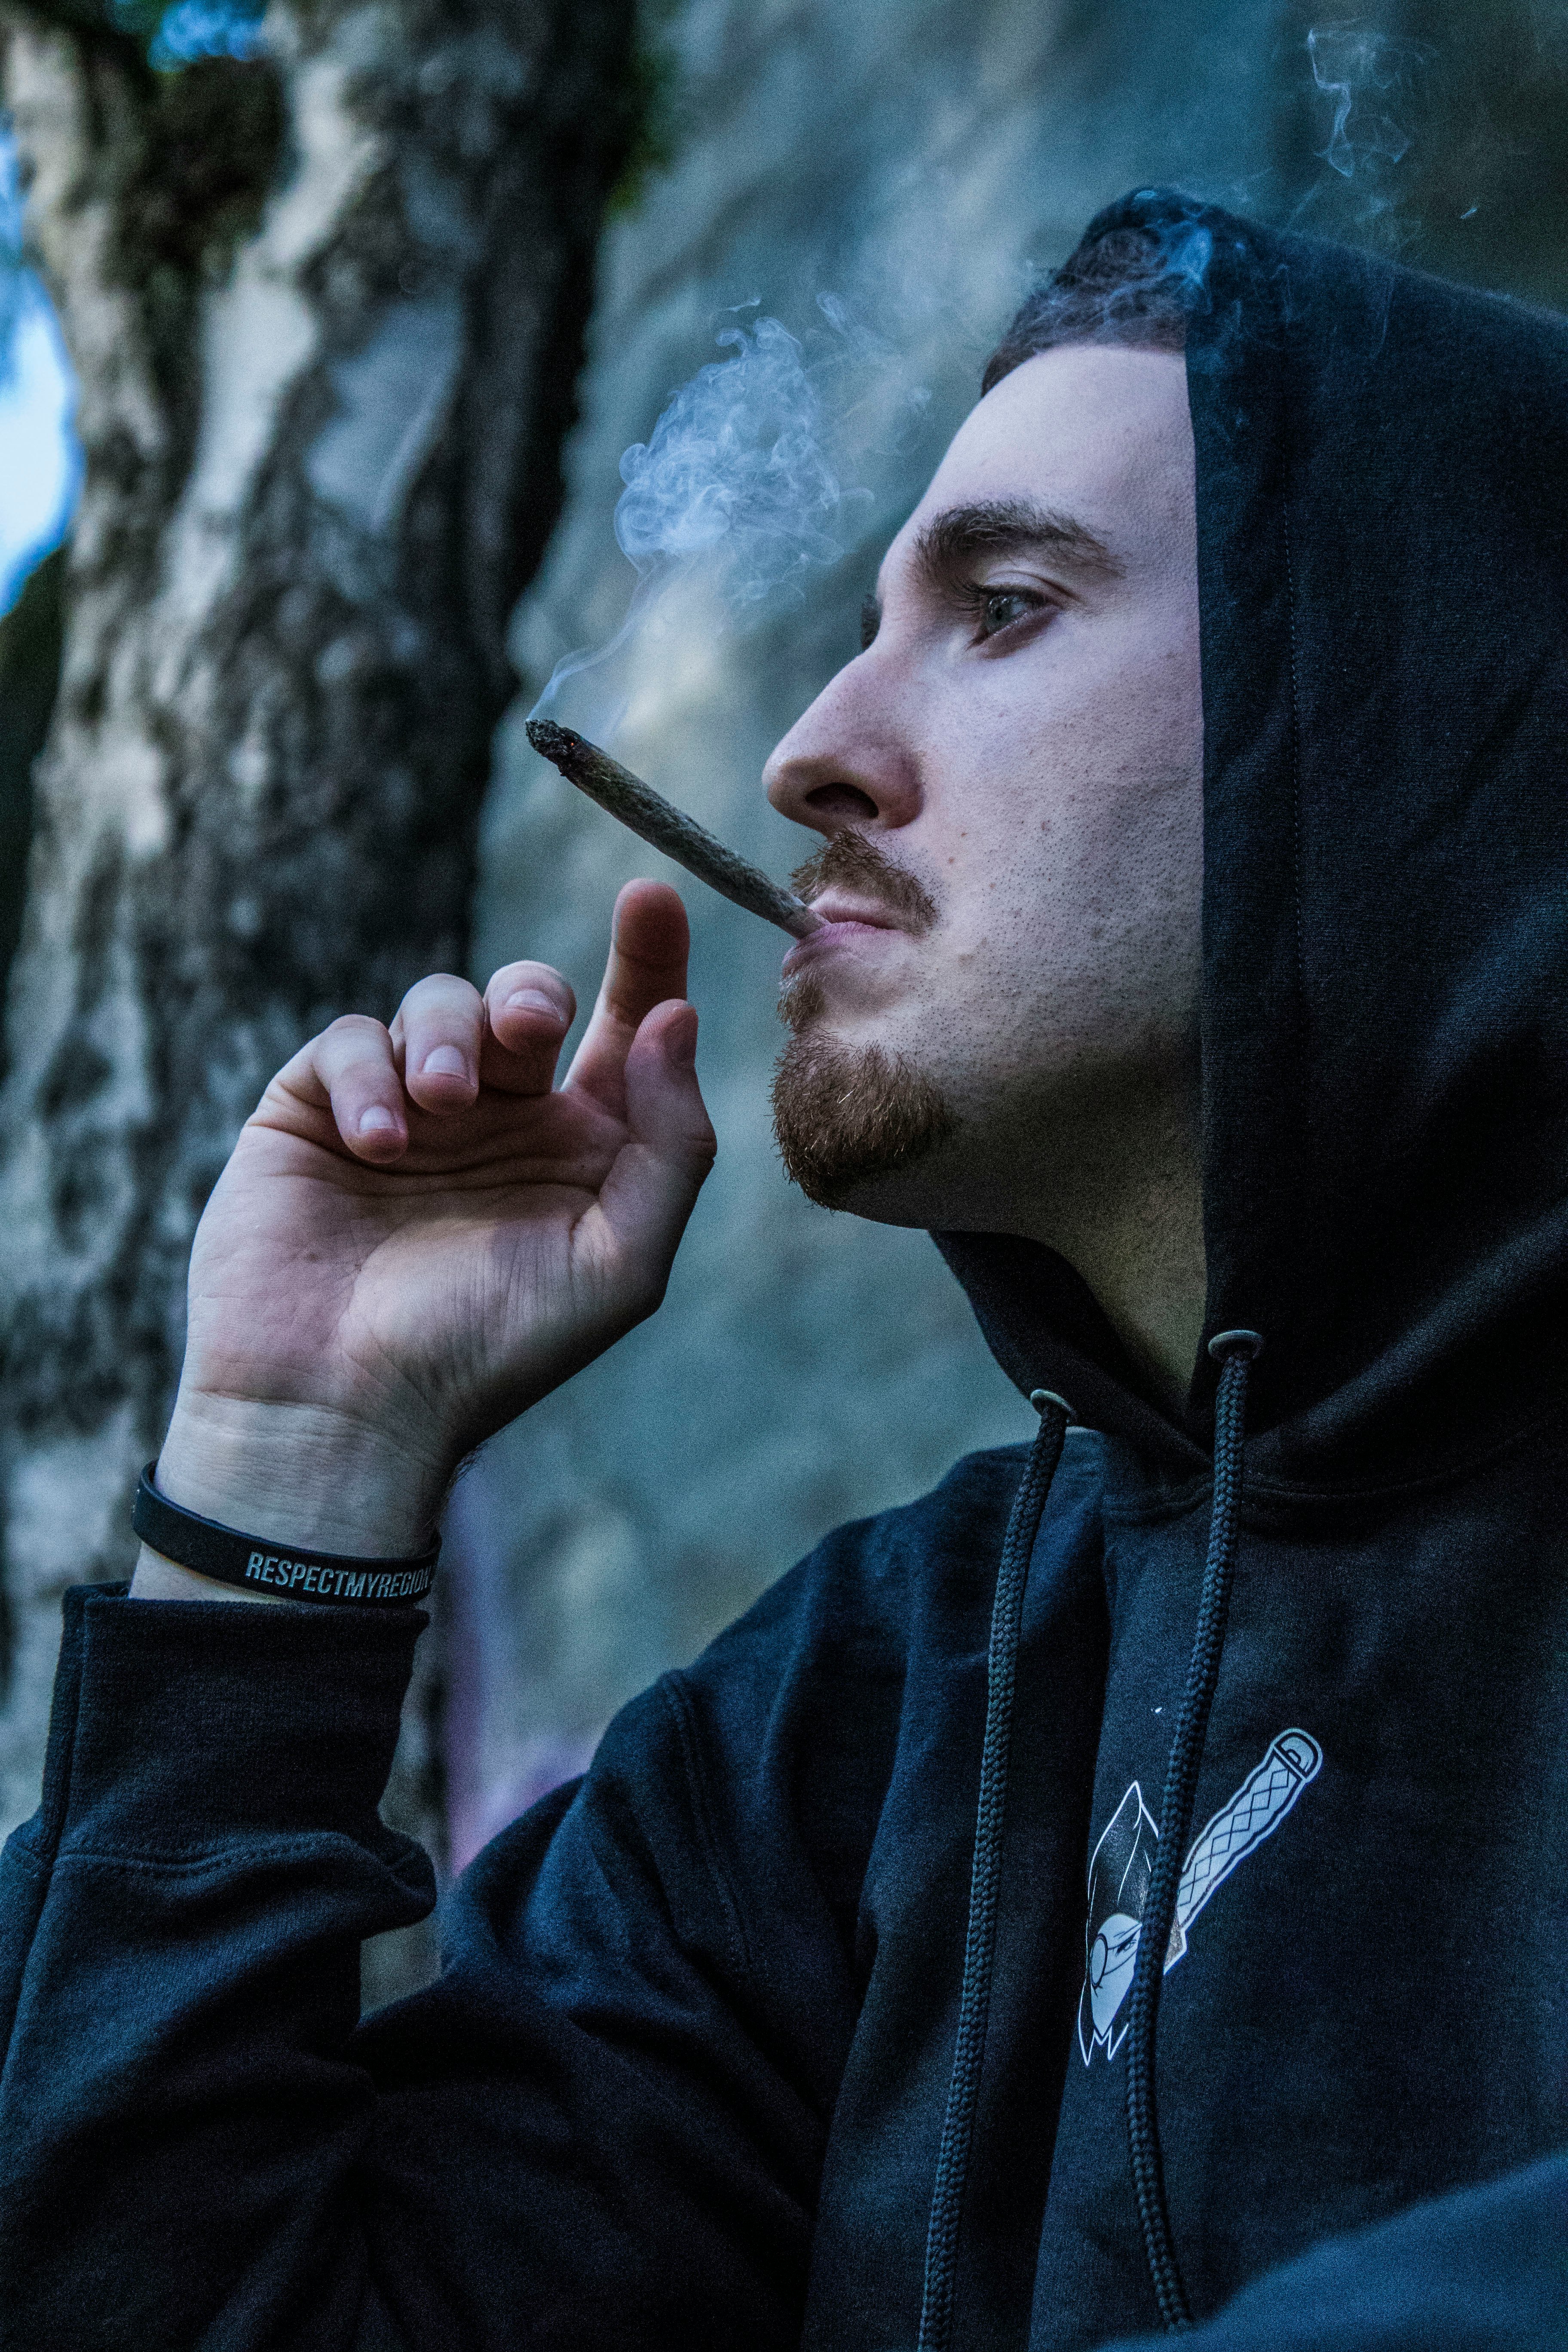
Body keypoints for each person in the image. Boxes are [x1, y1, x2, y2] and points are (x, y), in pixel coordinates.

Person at [2, 186, 1565, 2351]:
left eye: (1004, 608)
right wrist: (288, 1473)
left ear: (1398, 696)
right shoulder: (866, 1720)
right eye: (856, 624)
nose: (808, 752)